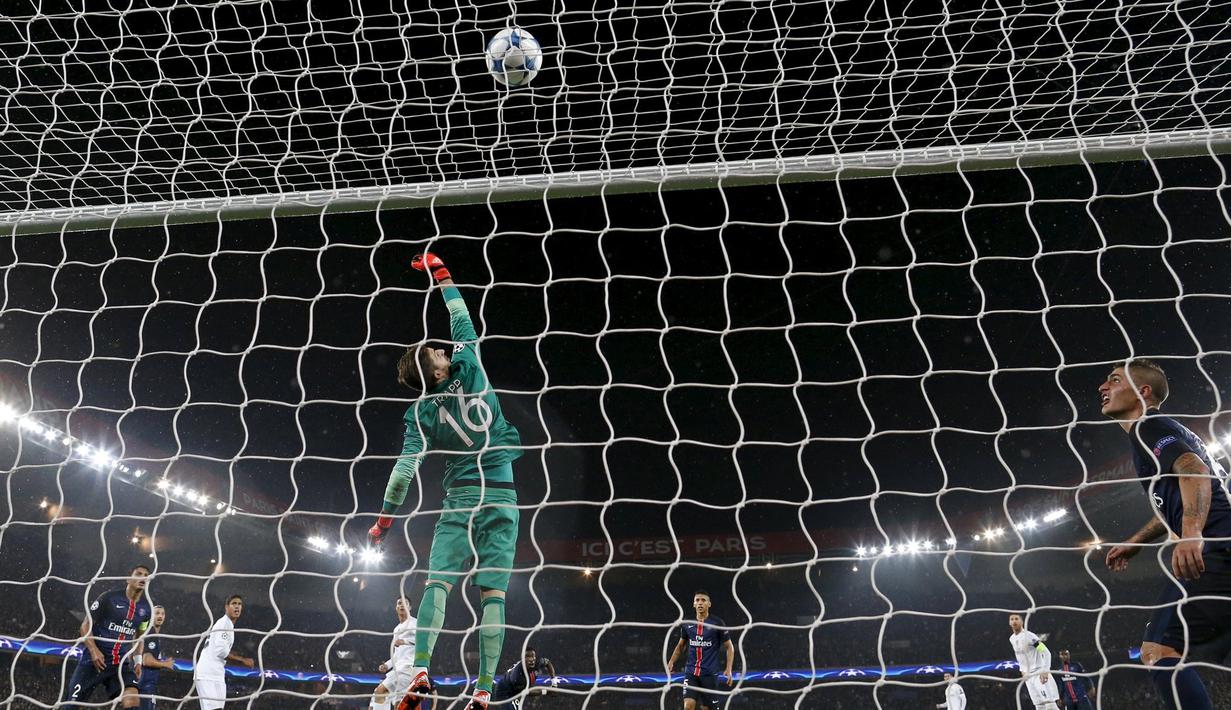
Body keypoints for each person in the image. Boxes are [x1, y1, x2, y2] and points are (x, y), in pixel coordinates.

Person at [369, 252, 524, 710]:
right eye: (436, 352)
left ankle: (420, 671)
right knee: (493, 594)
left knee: (437, 586)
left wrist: (384, 523)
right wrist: (441, 272)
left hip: (458, 500)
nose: (441, 348)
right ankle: (482, 689)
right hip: (501, 496)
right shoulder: (469, 362)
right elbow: (460, 313)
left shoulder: (418, 412)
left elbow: (403, 473)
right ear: (437, 370)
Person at [1101, 359, 1231, 710]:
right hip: (1222, 544)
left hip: (1217, 549)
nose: (1103, 387)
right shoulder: (1163, 431)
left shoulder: (1150, 425)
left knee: (1159, 651)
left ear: (1143, 392)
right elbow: (1173, 500)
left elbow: (1194, 469)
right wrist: (1135, 542)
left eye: (1113, 380)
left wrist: (1191, 533)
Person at [62, 564, 154, 708]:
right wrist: (93, 650)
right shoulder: (109, 598)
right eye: (139, 574)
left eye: (146, 575)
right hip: (94, 661)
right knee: (70, 705)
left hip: (120, 664)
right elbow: (85, 626)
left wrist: (137, 660)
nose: (143, 577)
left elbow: (140, 636)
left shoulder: (146, 610)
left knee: (133, 700)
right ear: (128, 579)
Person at [666, 590, 736, 710]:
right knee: (688, 706)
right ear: (693, 604)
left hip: (709, 675)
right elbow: (680, 646)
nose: (700, 603)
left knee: (706, 708)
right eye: (697, 600)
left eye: (703, 600)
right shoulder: (687, 624)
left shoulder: (717, 623)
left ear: (709, 604)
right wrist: (671, 661)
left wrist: (728, 669)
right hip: (691, 673)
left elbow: (730, 647)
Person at [193, 595, 254, 709]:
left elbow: (220, 648)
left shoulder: (228, 624)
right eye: (234, 603)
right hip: (208, 674)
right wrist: (243, 660)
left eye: (239, 604)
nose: (237, 606)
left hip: (216, 674)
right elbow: (221, 651)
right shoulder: (224, 624)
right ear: (226, 607)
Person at [372, 597, 417, 710]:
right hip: (397, 670)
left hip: (408, 668)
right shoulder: (396, 629)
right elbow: (397, 655)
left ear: (410, 607)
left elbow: (424, 644)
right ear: (396, 608)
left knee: (385, 696)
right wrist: (387, 665)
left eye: (405, 603)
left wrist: (405, 641)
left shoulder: (415, 623)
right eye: (399, 603)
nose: (402, 605)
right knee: (380, 693)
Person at [1008, 613, 1060, 710]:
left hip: (1038, 673)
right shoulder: (1012, 639)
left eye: (1016, 619)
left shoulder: (1029, 636)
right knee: (1039, 706)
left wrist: (1045, 670)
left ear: (1022, 622)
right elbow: (1020, 656)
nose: (1014, 621)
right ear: (1009, 622)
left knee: (1049, 704)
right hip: (1028, 677)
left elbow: (1046, 652)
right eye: (1012, 619)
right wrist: (1022, 670)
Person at [491, 647, 558, 708]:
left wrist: (554, 683)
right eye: (528, 656)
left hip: (514, 690)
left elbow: (548, 663)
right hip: (504, 693)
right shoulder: (518, 676)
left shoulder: (538, 661)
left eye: (533, 656)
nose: (531, 659)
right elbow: (527, 692)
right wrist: (546, 692)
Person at [137, 605, 176, 709]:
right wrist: (165, 664)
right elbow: (146, 660)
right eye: (157, 613)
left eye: (162, 614)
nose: (160, 616)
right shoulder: (150, 633)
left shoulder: (156, 635)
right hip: (144, 683)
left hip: (147, 684)